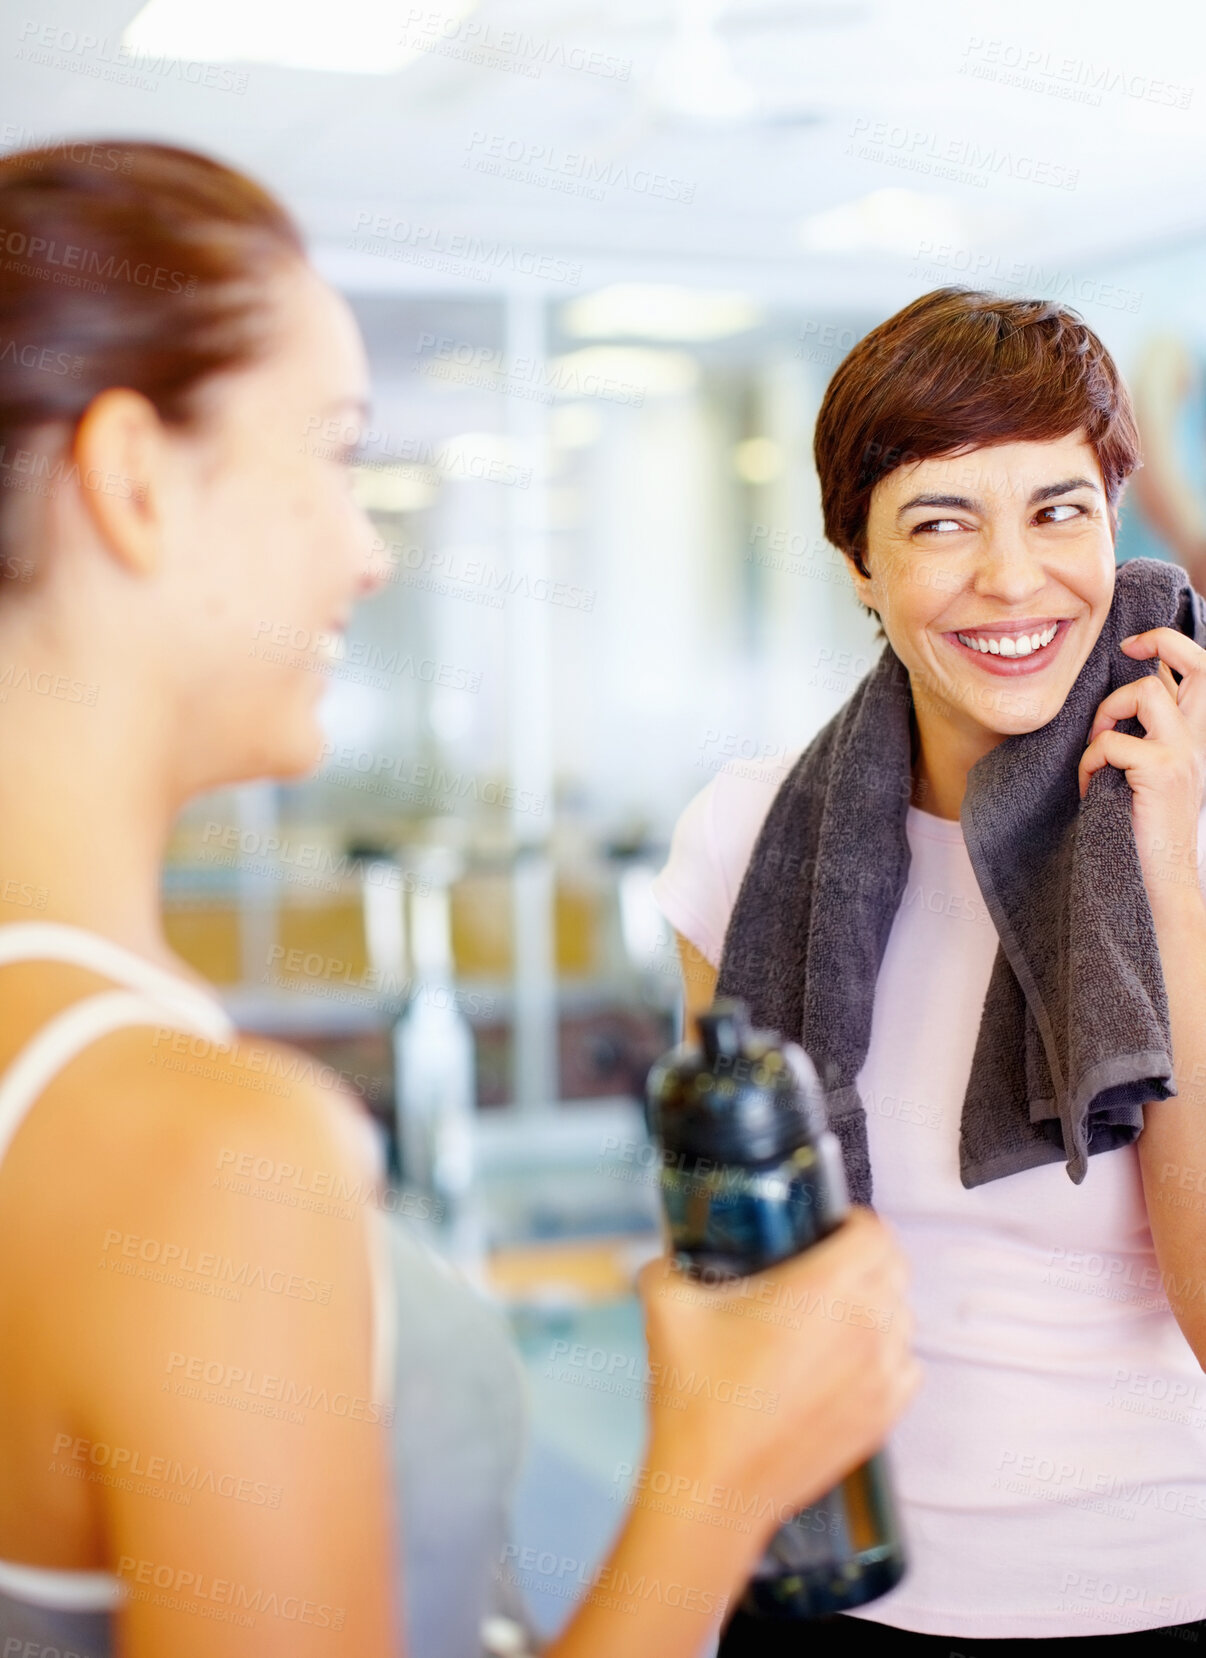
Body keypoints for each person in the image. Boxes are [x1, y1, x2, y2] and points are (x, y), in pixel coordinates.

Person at [0, 141, 920, 1658]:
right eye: (336, 455)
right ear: (135, 483)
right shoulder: (204, 1157)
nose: (369, 555)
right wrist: (722, 1471)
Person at [654, 288, 1206, 1654]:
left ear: (1112, 517)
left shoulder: (1184, 814)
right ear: (858, 562)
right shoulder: (743, 833)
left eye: (1056, 508)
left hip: (1153, 1584)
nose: (1013, 580)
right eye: (939, 522)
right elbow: (738, 1269)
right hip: (827, 1580)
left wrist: (1164, 873)